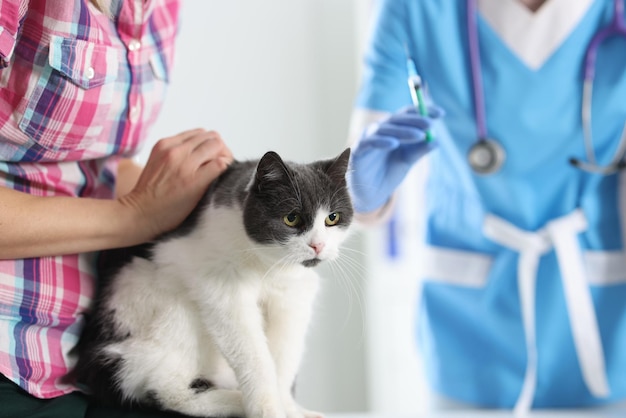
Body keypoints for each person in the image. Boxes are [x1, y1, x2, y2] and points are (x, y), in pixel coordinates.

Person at [348, 0, 626, 413]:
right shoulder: (415, 9)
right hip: (465, 321)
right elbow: (362, 157)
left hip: (603, 311)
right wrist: (360, 192)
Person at [0, 1, 232, 417]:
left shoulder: (159, 8)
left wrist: (199, 201)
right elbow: (135, 210)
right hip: (11, 357)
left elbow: (97, 160)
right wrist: (137, 215)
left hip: (92, 353)